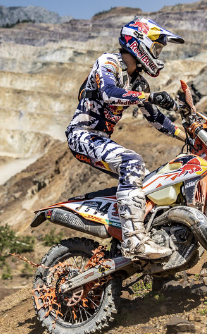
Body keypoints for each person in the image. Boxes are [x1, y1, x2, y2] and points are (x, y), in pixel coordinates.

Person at [66, 17, 187, 260]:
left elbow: (155, 119)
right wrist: (149, 98)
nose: (157, 53)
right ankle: (134, 241)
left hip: (100, 138)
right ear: (138, 44)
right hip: (82, 134)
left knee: (151, 180)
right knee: (132, 162)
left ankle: (132, 236)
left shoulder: (139, 82)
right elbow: (109, 93)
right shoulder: (108, 62)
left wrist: (188, 135)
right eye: (156, 48)